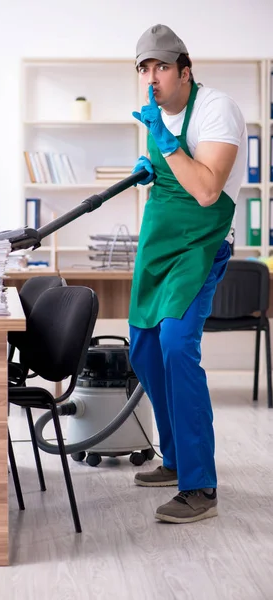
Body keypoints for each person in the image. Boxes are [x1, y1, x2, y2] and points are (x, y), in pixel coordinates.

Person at [128, 24, 247, 524]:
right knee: (143, 348)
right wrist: (147, 161)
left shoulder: (217, 109)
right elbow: (171, 176)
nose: (152, 77)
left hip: (201, 246)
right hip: (158, 243)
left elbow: (205, 190)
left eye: (161, 66)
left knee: (177, 344)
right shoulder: (156, 115)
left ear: (184, 69)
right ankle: (175, 459)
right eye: (144, 68)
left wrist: (164, 141)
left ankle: (200, 486)